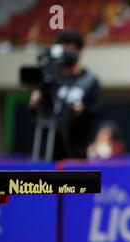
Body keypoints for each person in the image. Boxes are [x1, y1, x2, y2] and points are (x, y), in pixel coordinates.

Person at [29, 29, 102, 160]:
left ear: (79, 51)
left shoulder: (90, 81)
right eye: (64, 49)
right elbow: (34, 116)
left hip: (77, 149)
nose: (67, 54)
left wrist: (82, 111)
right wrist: (34, 105)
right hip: (48, 149)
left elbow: (97, 113)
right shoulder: (48, 80)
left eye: (71, 49)